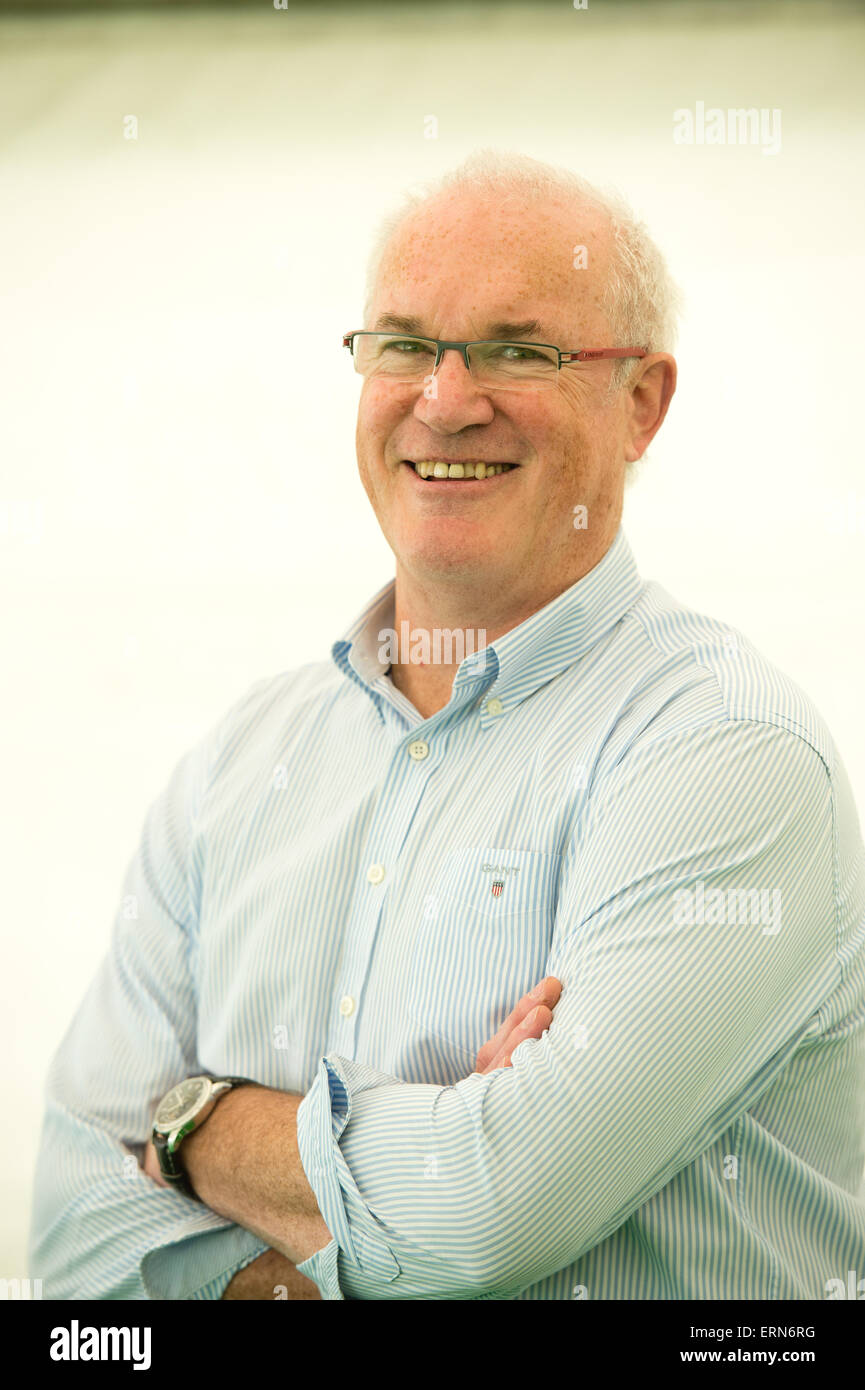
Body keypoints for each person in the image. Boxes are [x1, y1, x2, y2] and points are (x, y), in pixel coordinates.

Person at [29, 152, 865, 1301]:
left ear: (642, 404)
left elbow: (489, 1211)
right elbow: (72, 1235)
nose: (445, 397)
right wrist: (422, 1157)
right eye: (407, 343)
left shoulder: (726, 752)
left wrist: (195, 1126)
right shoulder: (237, 766)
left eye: (519, 349)